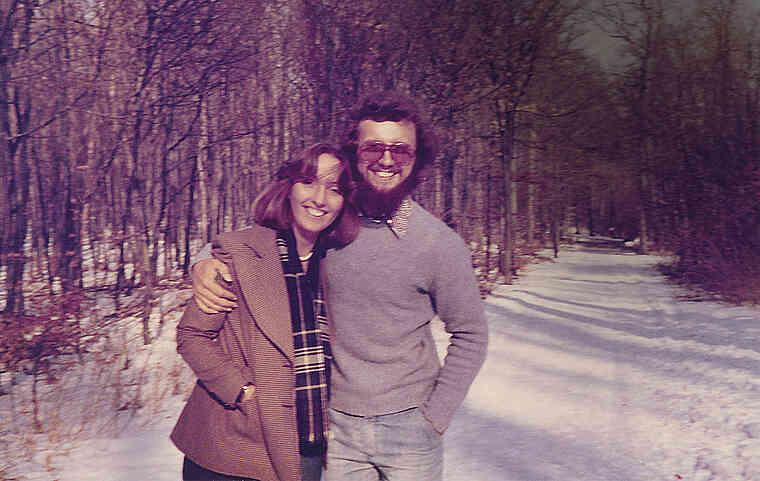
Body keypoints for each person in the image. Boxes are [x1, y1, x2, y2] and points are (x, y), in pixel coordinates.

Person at [192, 91, 489, 481]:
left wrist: (434, 417)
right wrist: (203, 261)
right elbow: (257, 243)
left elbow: (471, 333)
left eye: (400, 150)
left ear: (417, 161)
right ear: (354, 155)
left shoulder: (438, 243)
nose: (386, 160)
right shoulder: (330, 223)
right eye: (373, 148)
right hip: (335, 428)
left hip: (409, 427)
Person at [171, 143, 359, 481]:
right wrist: (241, 390)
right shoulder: (240, 252)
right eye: (308, 182)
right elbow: (192, 335)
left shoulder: (340, 261)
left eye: (333, 189)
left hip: (308, 443)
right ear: (288, 188)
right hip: (233, 447)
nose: (319, 198)